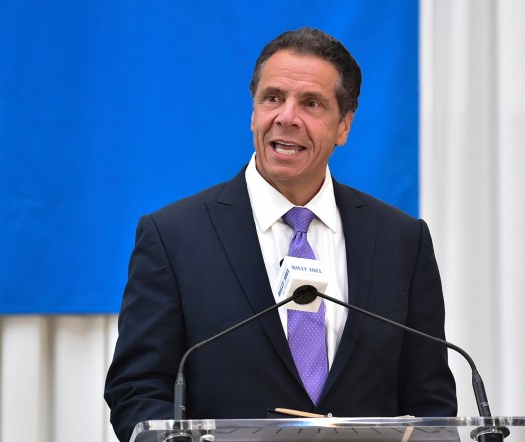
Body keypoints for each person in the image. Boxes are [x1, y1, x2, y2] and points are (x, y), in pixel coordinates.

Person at [104, 27, 457, 442]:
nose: (286, 117)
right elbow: (137, 389)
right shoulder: (174, 237)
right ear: (253, 112)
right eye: (272, 98)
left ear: (344, 126)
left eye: (311, 103)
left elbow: (430, 403)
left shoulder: (403, 241)